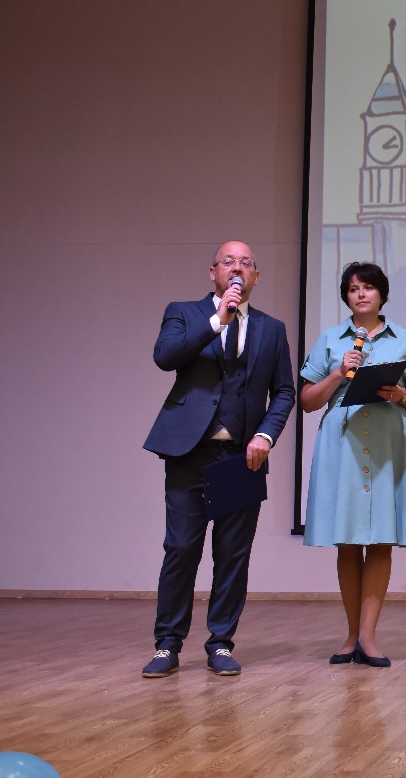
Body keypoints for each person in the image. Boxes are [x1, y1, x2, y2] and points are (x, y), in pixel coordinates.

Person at [141, 241, 296, 677]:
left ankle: (221, 643)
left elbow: (284, 391)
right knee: (180, 549)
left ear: (256, 277)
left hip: (241, 456)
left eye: (246, 263)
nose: (237, 269)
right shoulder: (184, 313)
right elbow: (165, 357)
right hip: (189, 451)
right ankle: (167, 645)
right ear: (213, 272)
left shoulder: (271, 328)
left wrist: (266, 434)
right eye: (229, 262)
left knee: (232, 554)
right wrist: (217, 321)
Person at [299, 262, 406, 667]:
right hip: (344, 445)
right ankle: (351, 635)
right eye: (353, 288)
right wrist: (339, 373)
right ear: (346, 296)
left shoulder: (403, 339)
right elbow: (307, 401)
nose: (361, 294)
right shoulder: (329, 339)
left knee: (380, 540)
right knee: (348, 540)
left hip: (388, 443)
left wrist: (400, 395)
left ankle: (369, 637)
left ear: (381, 295)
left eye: (368, 287)